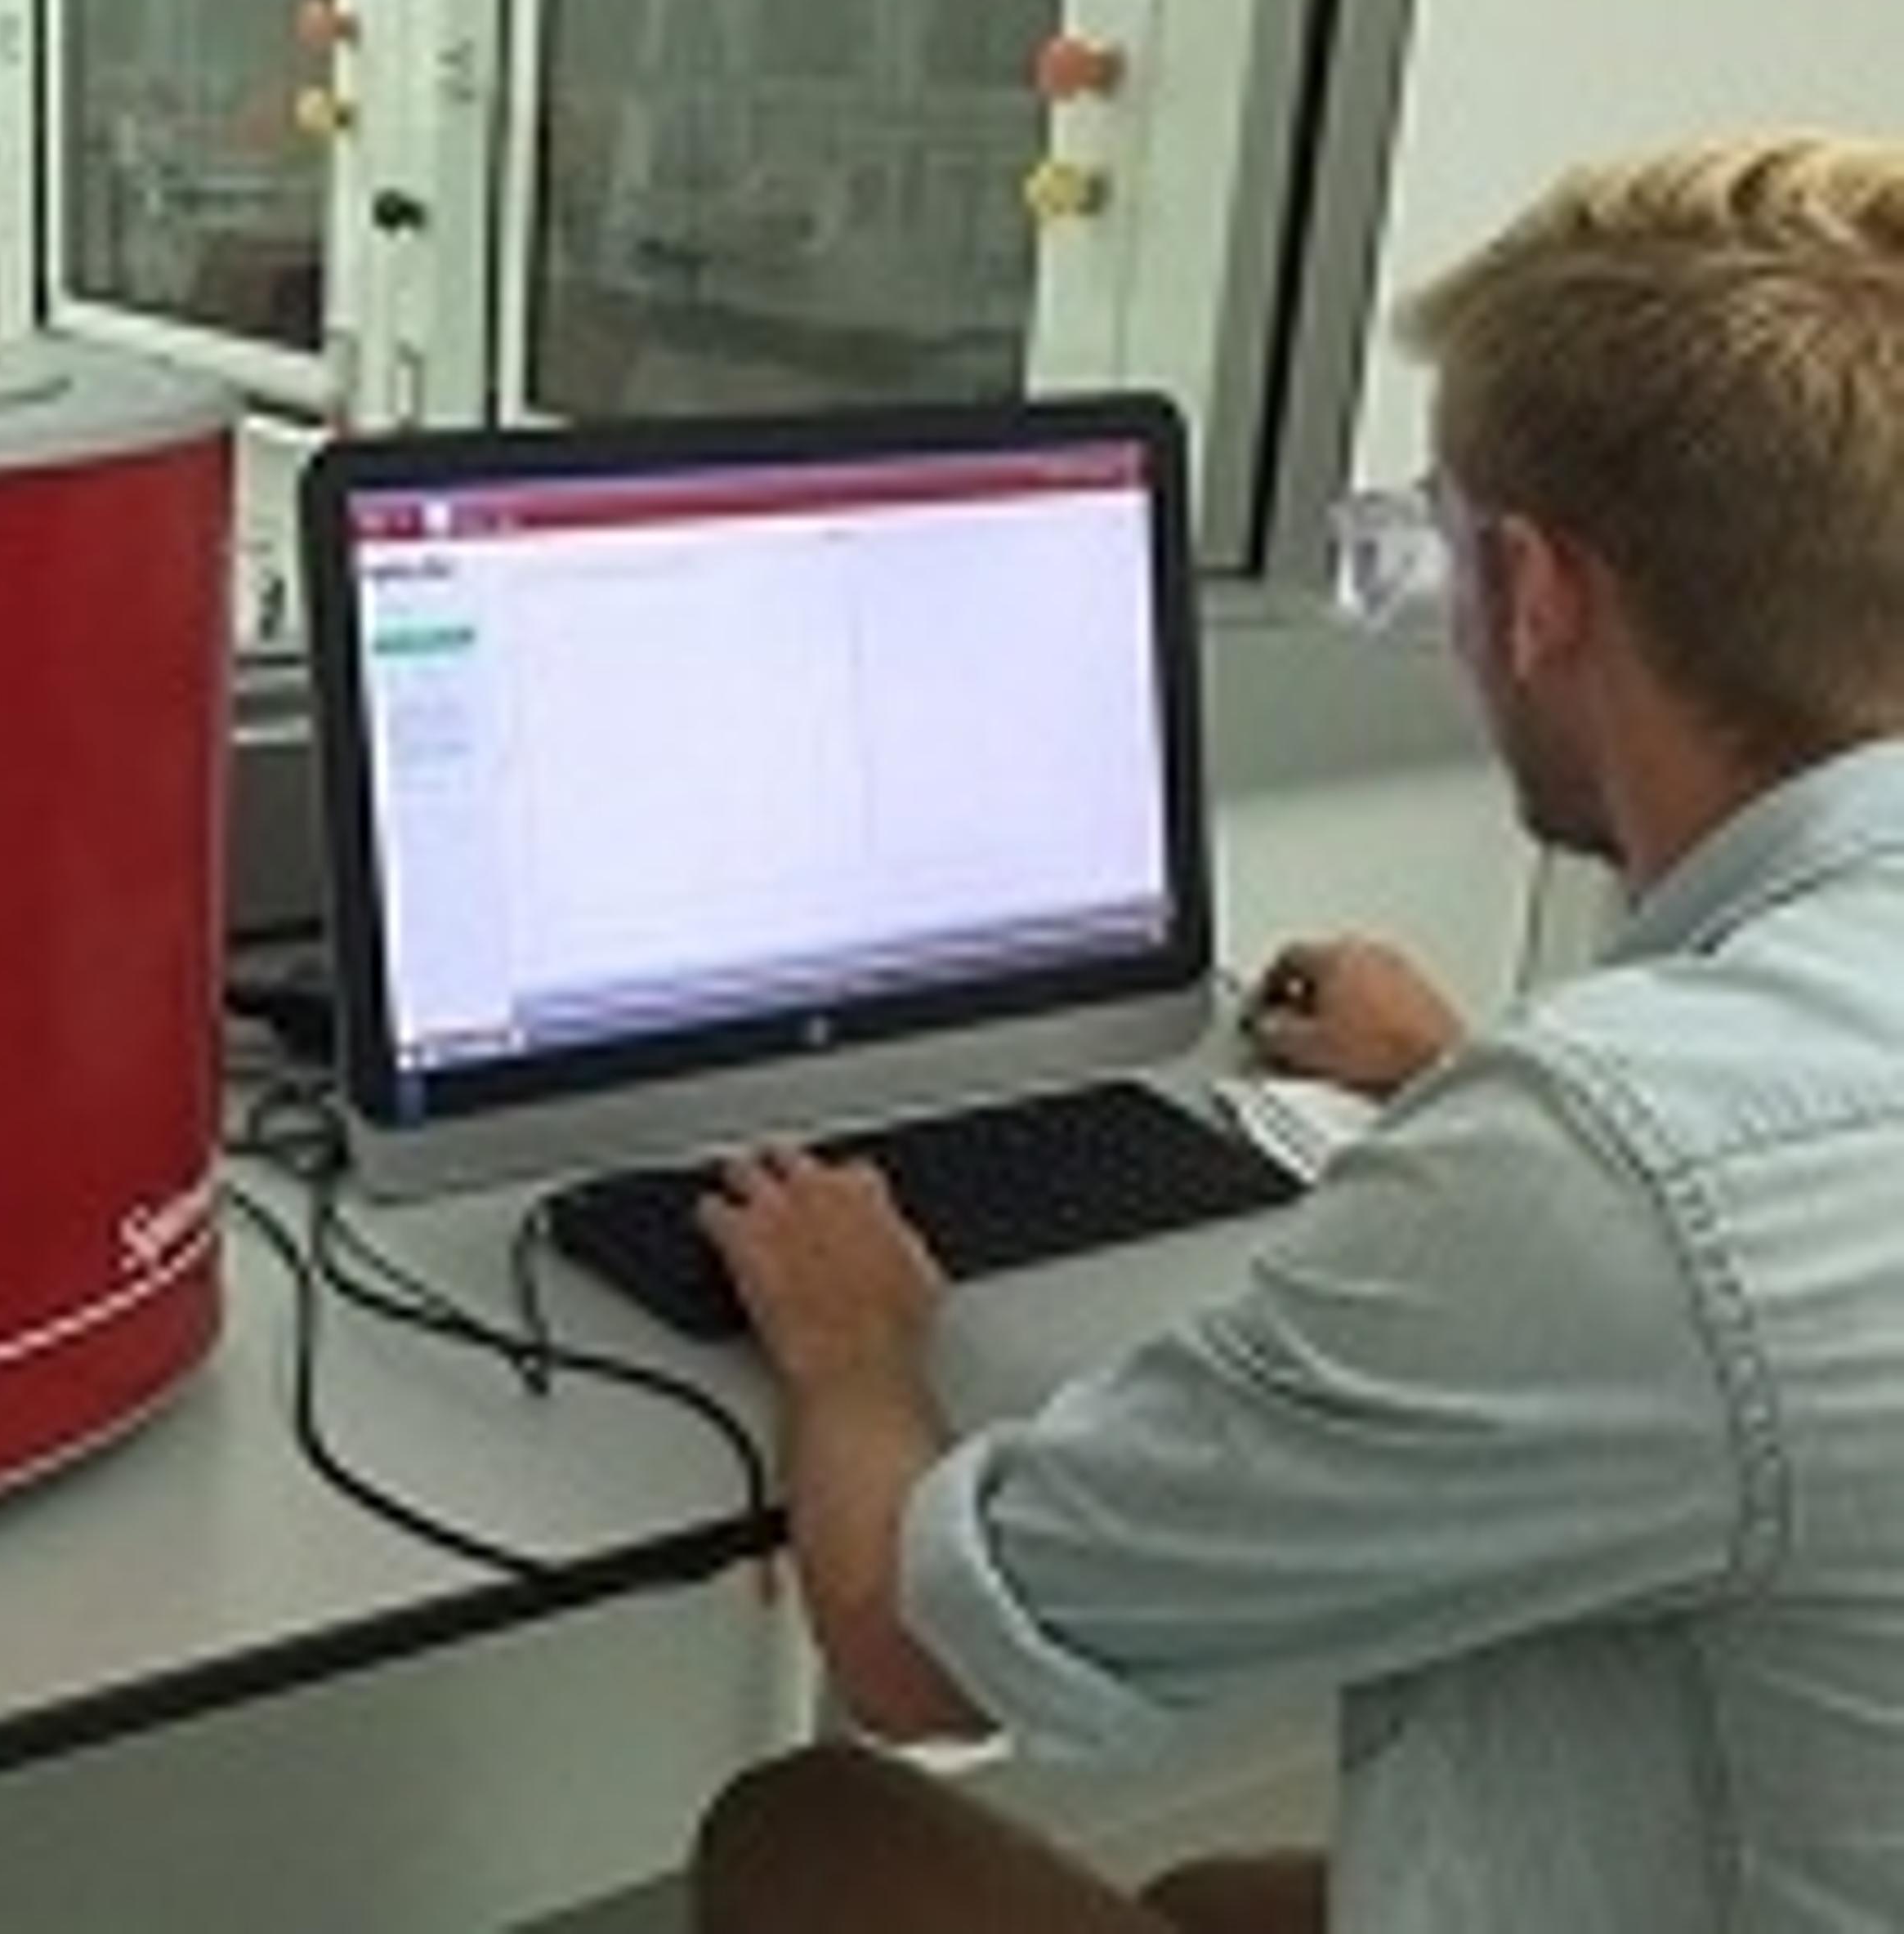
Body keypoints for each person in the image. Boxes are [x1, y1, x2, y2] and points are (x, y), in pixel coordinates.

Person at [691, 135, 1904, 1933]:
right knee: (1212, 1899)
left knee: (810, 1834)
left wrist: (857, 1347)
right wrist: (1454, 1088)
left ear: (1539, 594)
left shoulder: (1610, 1185)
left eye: (1441, 543)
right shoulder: (1682, 1141)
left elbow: (905, 1650)